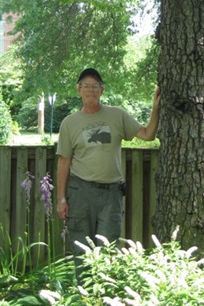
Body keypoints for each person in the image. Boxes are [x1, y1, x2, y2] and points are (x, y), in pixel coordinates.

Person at [56, 68, 160, 277]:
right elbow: (64, 161)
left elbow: (148, 135)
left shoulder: (117, 115)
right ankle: (84, 298)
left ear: (102, 90)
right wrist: (61, 199)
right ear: (79, 90)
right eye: (86, 86)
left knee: (107, 252)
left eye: (95, 86)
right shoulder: (69, 123)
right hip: (80, 193)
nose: (90, 90)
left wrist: (156, 107)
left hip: (111, 195)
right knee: (82, 253)